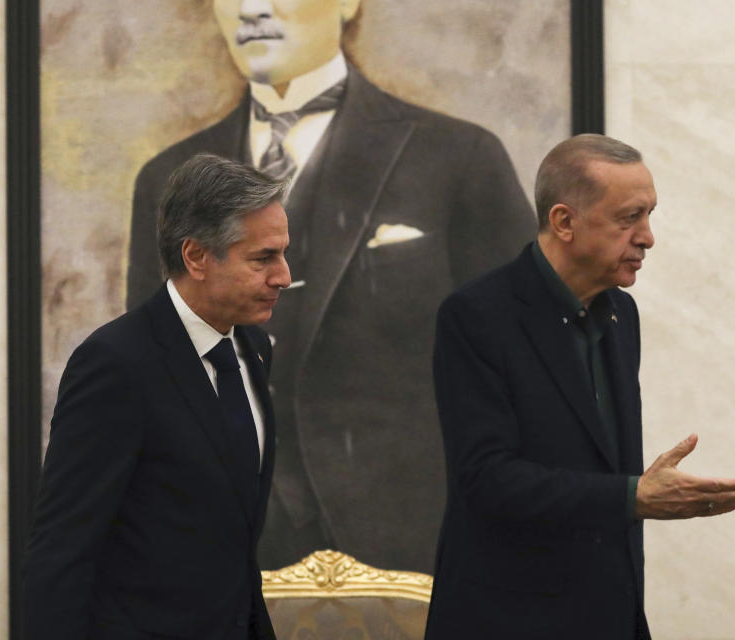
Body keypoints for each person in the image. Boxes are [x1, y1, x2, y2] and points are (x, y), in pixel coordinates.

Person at [127, 0, 536, 573]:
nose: (251, 8)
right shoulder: (166, 181)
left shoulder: (459, 158)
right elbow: (153, 385)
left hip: (416, 546)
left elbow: (526, 368)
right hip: (225, 550)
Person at [423, 135, 735, 640]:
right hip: (508, 620)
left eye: (650, 216)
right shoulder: (476, 316)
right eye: (629, 217)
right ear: (564, 222)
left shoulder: (622, 313)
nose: (647, 237)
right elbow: (487, 478)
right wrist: (632, 497)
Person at [24, 154, 291, 639]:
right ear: (196, 257)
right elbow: (63, 548)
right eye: (263, 258)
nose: (283, 276)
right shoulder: (115, 363)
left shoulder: (251, 348)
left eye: (282, 254)